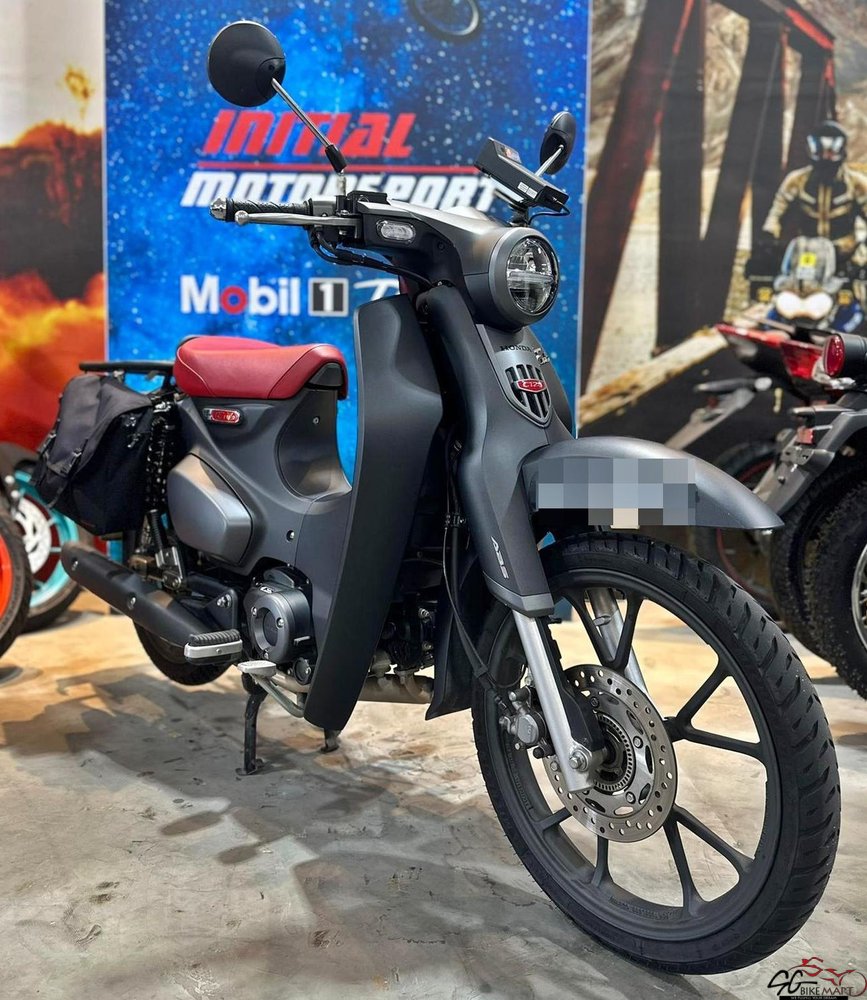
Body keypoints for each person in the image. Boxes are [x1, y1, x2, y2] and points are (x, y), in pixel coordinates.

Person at [759, 121, 867, 270]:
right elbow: (776, 212)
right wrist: (769, 237)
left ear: (841, 151)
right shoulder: (796, 180)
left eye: (831, 152)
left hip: (846, 255)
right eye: (821, 152)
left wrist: (861, 255)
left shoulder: (857, 183)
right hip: (806, 252)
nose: (826, 157)